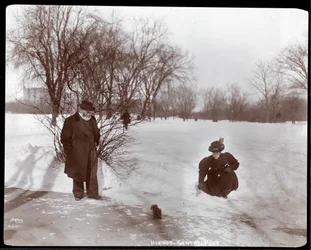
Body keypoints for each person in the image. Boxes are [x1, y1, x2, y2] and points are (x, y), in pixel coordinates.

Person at [61, 100, 102, 201]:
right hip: (77, 150)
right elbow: (65, 137)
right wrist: (69, 151)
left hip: (92, 149)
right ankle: (78, 194)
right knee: (78, 172)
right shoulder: (71, 120)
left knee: (92, 172)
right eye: (87, 111)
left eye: (91, 111)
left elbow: (95, 132)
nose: (89, 114)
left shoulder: (92, 119)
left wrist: (96, 142)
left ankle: (92, 194)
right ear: (81, 110)